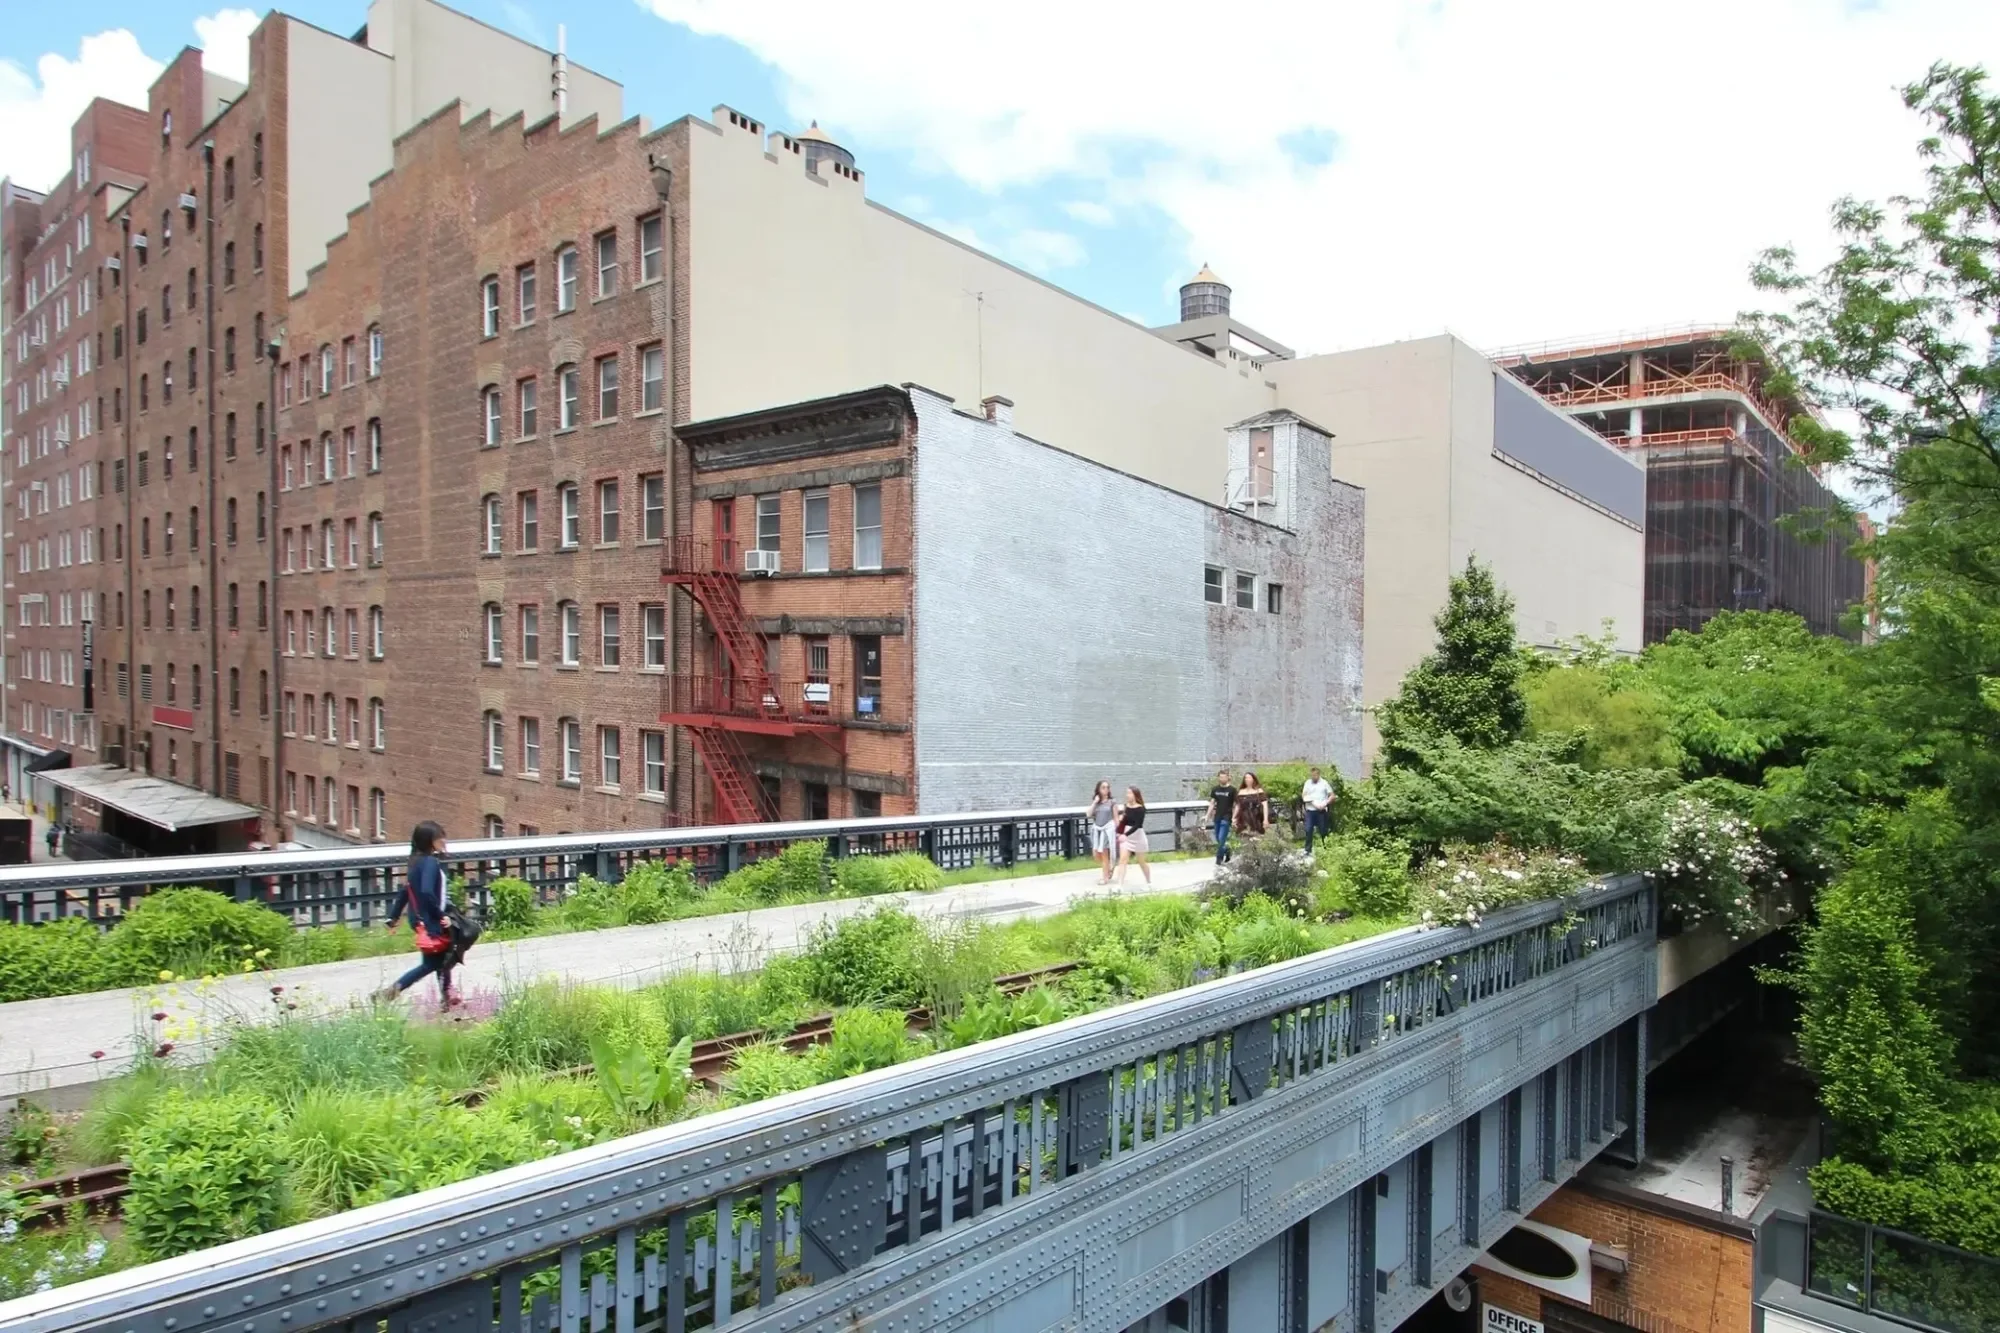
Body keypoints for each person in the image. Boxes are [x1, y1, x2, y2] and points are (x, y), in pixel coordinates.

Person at [379, 821, 458, 1006]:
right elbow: (426, 892)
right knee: (432, 962)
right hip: (430, 918)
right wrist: (440, 915)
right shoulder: (430, 862)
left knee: (440, 955)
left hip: (420, 918)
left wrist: (394, 915)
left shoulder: (415, 860)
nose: (444, 840)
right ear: (430, 841)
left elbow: (407, 890)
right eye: (440, 837)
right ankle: (392, 991)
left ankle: (448, 997)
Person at [1115, 787, 1151, 887]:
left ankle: (1148, 882)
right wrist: (1119, 832)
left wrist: (1125, 835)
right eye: (1127, 793)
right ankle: (1119, 885)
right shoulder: (1126, 806)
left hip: (1137, 835)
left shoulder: (1141, 809)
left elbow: (1137, 825)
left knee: (1141, 862)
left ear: (1135, 795)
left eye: (1129, 793)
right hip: (1126, 836)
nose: (1127, 795)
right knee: (1122, 860)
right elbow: (1124, 821)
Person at [1087, 780, 1119, 885]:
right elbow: (1088, 814)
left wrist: (1118, 831)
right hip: (1097, 829)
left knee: (1104, 853)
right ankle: (1109, 867)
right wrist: (1095, 802)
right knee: (1096, 854)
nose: (1106, 789)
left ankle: (1105, 878)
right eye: (1103, 787)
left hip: (1107, 830)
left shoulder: (1112, 802)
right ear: (1099, 789)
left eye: (1107, 787)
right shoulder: (1097, 802)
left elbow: (1116, 818)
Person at [1206, 769, 1237, 864]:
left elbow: (1236, 805)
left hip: (1227, 817)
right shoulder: (1215, 789)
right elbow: (1212, 803)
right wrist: (1207, 815)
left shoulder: (1232, 790)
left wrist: (1234, 817)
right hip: (1217, 816)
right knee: (1218, 838)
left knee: (1221, 838)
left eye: (1224, 777)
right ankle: (1227, 850)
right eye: (1220, 777)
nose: (1222, 779)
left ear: (1228, 778)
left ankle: (1219, 858)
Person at [1301, 766, 1335, 852]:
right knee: (1308, 830)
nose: (1313, 777)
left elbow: (1332, 796)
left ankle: (1326, 849)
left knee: (1323, 831)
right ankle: (1308, 850)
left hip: (1321, 811)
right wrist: (1312, 803)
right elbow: (1304, 795)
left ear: (1318, 775)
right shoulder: (1308, 783)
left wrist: (1325, 803)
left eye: (1315, 776)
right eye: (1312, 776)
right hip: (1310, 811)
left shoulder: (1324, 783)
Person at [1235, 771, 1271, 839]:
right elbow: (1238, 806)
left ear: (1253, 779)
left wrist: (1265, 819)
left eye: (1249, 778)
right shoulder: (1240, 792)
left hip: (1256, 817)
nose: (1247, 779)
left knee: (1257, 836)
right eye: (1245, 778)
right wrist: (1233, 818)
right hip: (1243, 817)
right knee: (1243, 836)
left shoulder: (1259, 791)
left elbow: (1265, 806)